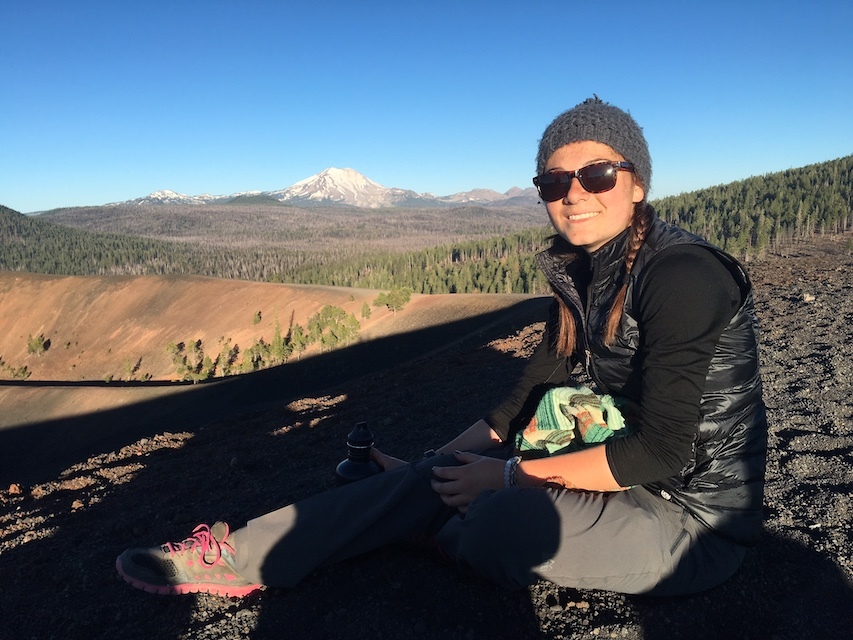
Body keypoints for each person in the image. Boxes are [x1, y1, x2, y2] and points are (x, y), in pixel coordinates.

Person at [116, 97, 767, 598]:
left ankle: (426, 521)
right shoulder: (581, 278)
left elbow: (661, 449)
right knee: (441, 474)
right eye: (553, 181)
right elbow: (518, 407)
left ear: (636, 184)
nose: (573, 193)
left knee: (501, 521)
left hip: (688, 526)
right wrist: (433, 468)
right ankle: (240, 556)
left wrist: (505, 475)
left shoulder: (682, 274)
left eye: (597, 173)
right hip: (602, 475)